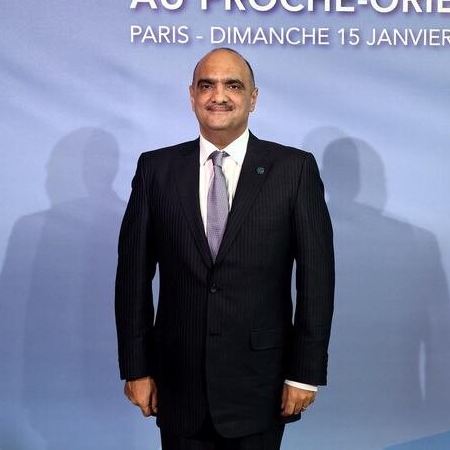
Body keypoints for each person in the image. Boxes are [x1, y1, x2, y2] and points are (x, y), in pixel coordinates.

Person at [115, 48, 335, 449]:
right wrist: (136, 367)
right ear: (192, 96)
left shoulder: (294, 170)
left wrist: (304, 372)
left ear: (252, 98)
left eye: (233, 85)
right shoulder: (155, 170)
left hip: (261, 383)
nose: (219, 95)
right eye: (207, 85)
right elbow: (132, 278)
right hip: (177, 383)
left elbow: (317, 280)